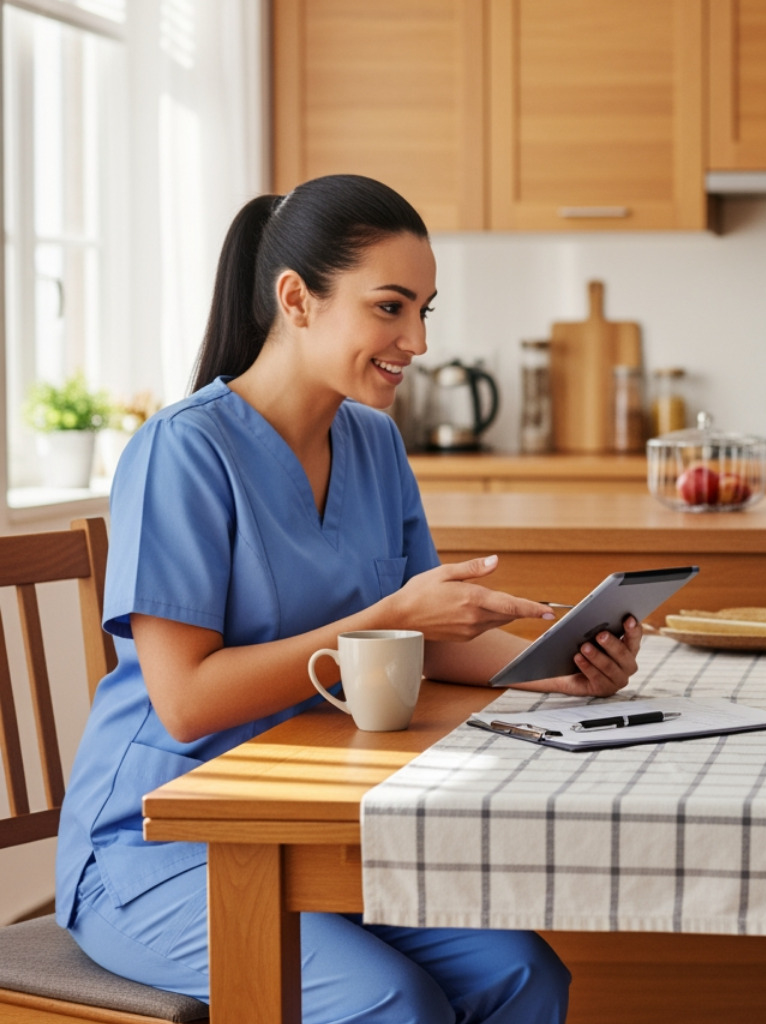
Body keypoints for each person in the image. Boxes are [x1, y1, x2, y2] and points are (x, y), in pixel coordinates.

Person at [55, 174, 643, 1023]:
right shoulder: (180, 452)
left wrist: (562, 668)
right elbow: (185, 704)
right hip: (162, 842)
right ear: (296, 298)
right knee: (393, 1004)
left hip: (316, 822)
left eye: (424, 311)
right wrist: (387, 618)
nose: (417, 340)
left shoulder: (372, 441)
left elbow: (430, 638)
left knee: (523, 976)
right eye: (391, 307)